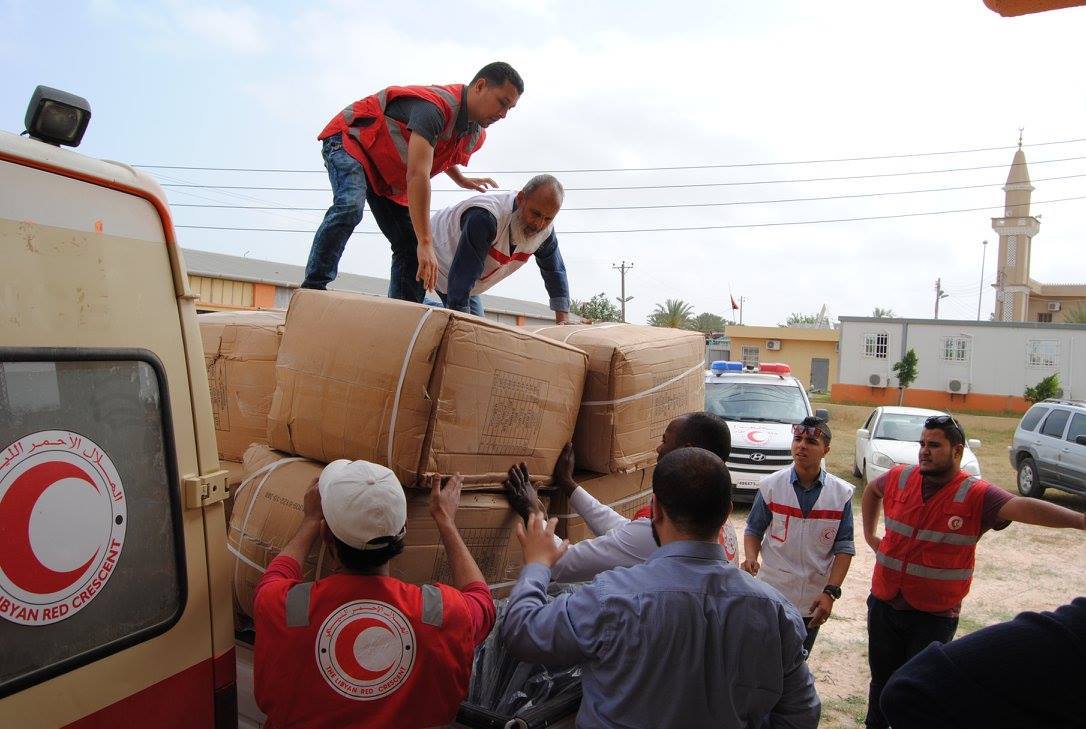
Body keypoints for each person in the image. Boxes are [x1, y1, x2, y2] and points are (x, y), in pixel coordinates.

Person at [501, 447, 820, 728]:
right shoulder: (776, 613)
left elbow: (523, 633)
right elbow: (801, 714)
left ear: (654, 510)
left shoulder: (611, 597)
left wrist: (537, 565)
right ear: (726, 513)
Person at [861, 414, 1086, 729]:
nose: (924, 451)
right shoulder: (900, 477)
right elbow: (872, 490)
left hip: (932, 616)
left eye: (934, 445)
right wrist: (870, 534)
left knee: (918, 689)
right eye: (922, 444)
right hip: (885, 602)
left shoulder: (977, 493)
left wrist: (1079, 520)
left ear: (957, 451)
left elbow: (1024, 508)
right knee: (880, 684)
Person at [252, 461, 495, 729]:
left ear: (326, 536)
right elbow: (482, 600)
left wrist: (310, 520)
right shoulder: (443, 612)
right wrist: (445, 519)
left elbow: (275, 577)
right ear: (402, 538)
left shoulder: (283, 606)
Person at [302, 62, 524, 300]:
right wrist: (426, 241)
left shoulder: (474, 134)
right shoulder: (434, 108)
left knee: (409, 243)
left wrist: (461, 179)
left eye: (510, 108)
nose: (503, 114)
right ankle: (313, 289)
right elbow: (418, 174)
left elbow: (438, 150)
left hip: (386, 173)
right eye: (502, 102)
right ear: (480, 86)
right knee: (349, 207)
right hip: (353, 143)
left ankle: (403, 313)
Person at [504, 412, 739, 582]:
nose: (658, 448)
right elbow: (624, 532)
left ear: (687, 449)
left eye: (665, 440)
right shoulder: (714, 515)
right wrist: (570, 486)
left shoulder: (662, 532)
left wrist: (533, 512)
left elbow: (560, 564)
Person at [880, 597, 1086, 729]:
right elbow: (910, 692)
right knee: (882, 681)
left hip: (938, 606)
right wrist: (870, 537)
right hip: (888, 597)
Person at [742, 416, 854, 655]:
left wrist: (830, 593)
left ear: (826, 450)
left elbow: (844, 548)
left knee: (797, 664)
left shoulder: (840, 494)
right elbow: (753, 529)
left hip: (812, 599)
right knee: (763, 661)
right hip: (772, 593)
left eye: (811, 441)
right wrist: (751, 556)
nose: (802, 445)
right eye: (797, 439)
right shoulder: (772, 485)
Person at [430, 174, 570, 321]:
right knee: (412, 312)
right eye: (535, 214)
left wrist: (563, 323)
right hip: (429, 255)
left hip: (466, 281)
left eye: (548, 218)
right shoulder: (486, 217)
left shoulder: (544, 233)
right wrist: (460, 323)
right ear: (521, 199)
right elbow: (463, 276)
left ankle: (437, 312)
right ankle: (427, 308)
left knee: (478, 331)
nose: (539, 224)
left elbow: (555, 272)